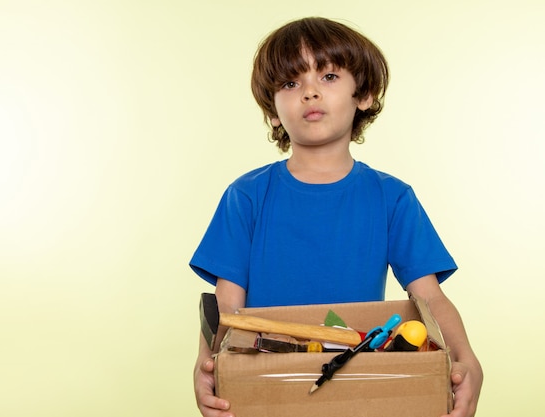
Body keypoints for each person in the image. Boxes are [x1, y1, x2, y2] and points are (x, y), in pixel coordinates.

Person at [189, 16, 483, 417]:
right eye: (291, 83)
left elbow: (428, 297)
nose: (310, 92)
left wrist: (467, 359)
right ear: (273, 112)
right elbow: (227, 311)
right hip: (266, 384)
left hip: (356, 380)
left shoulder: (391, 198)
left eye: (328, 76)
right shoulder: (246, 197)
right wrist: (207, 367)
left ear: (363, 94)